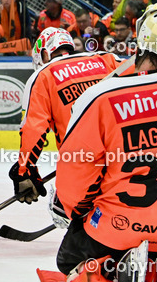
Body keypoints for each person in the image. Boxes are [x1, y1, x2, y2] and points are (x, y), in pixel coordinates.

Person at [38, 0, 157, 282]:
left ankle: (118, 265)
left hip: (117, 230)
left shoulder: (103, 96)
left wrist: (81, 214)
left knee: (66, 258)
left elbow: (75, 180)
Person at [12, 28, 122, 205]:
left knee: (71, 212)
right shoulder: (107, 59)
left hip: (81, 164)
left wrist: (25, 170)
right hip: (125, 155)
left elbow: (34, 129)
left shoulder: (43, 75)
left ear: (45, 54)